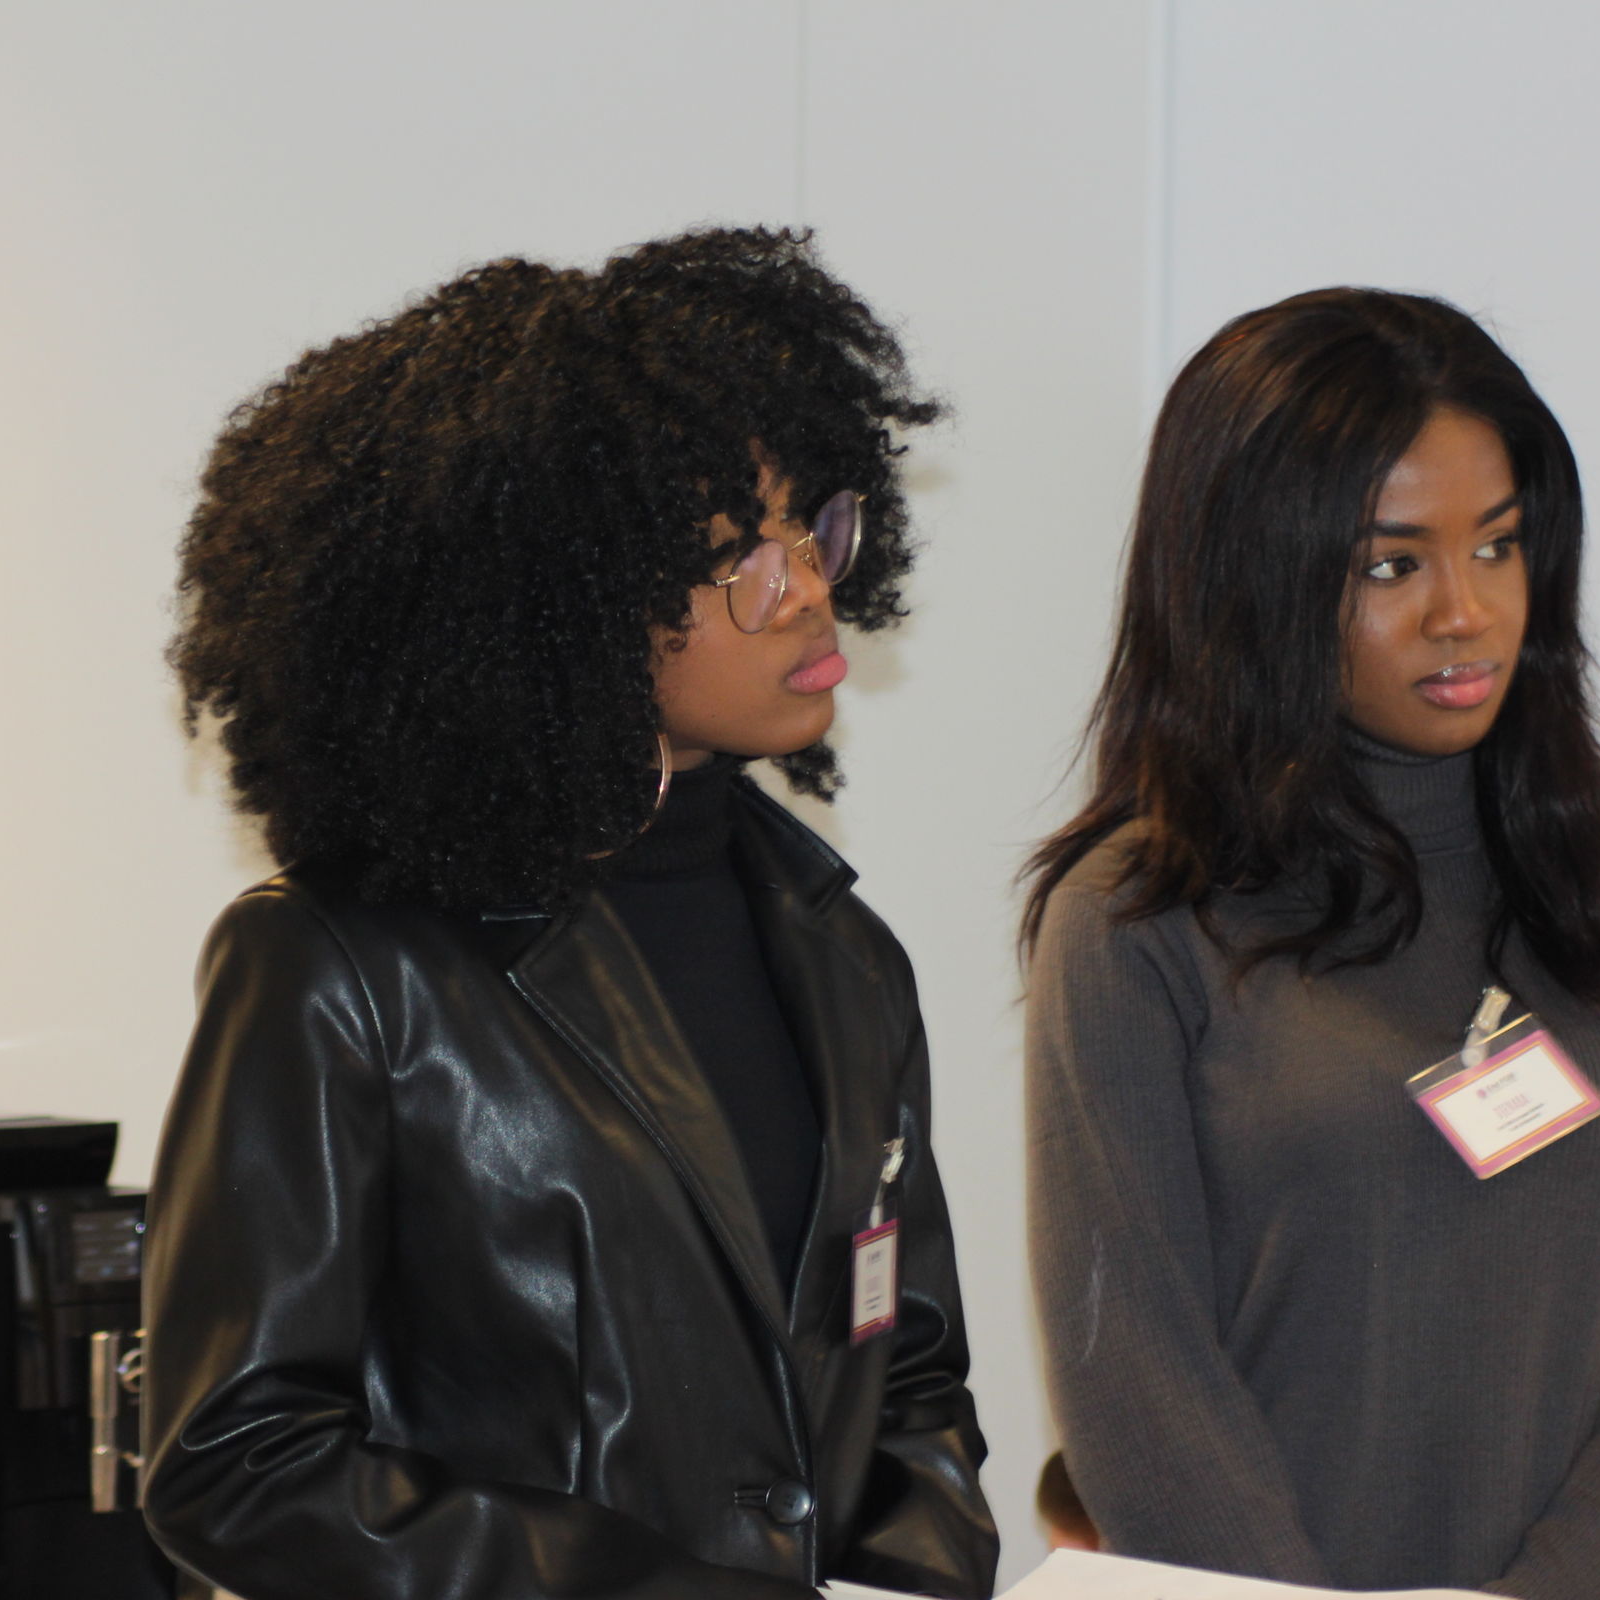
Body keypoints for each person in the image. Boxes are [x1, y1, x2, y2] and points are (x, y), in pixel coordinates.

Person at [145, 228, 998, 1600]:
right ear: (564, 604)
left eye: (809, 528)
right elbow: (240, 1463)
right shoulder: (338, 969)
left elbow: (909, 1372)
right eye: (737, 557)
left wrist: (914, 1575)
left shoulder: (843, 953)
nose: (806, 589)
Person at [1022, 288, 1600, 1600]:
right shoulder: (1137, 927)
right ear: (1254, 580)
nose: (1463, 612)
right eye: (1390, 565)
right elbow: (1137, 1382)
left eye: (1498, 545)